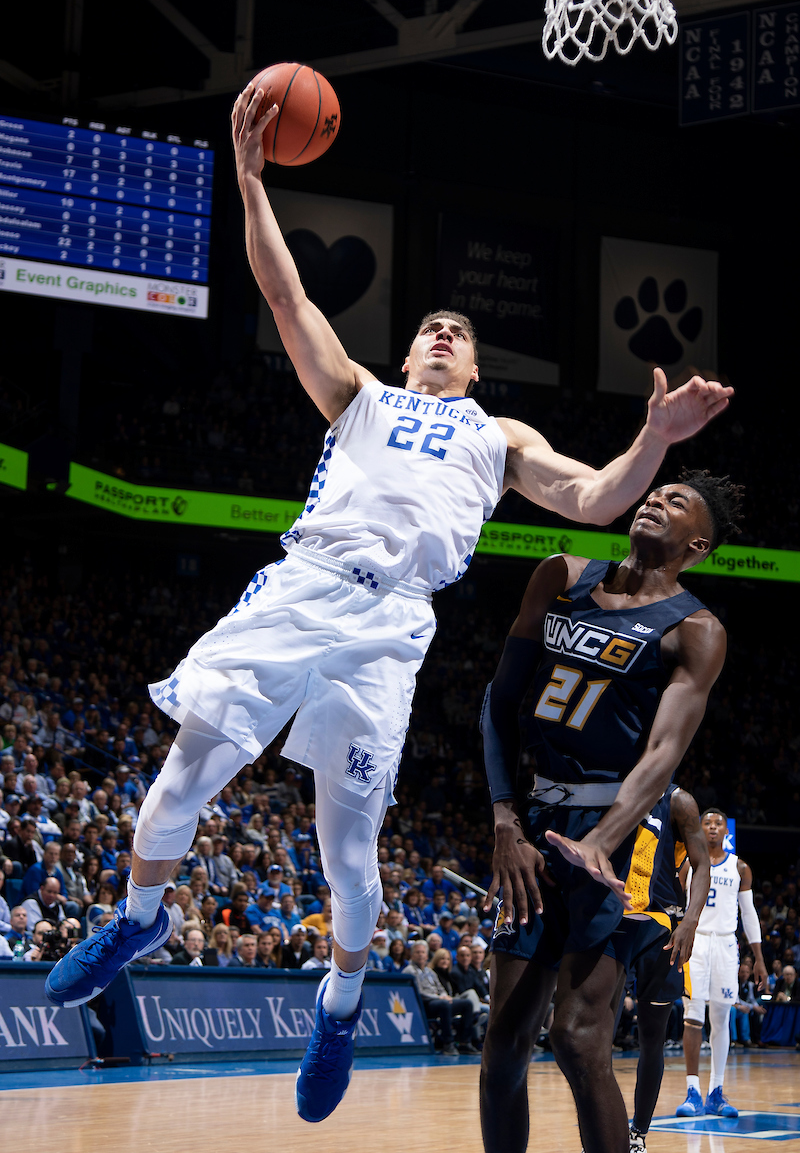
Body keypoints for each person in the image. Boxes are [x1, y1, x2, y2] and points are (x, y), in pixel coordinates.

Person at [44, 85, 733, 1130]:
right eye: (430, 328)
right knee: (185, 768)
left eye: (459, 329)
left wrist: (655, 441)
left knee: (347, 854)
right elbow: (285, 297)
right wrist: (247, 178)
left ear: (472, 365)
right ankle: (138, 918)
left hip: (389, 630)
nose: (446, 331)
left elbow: (594, 498)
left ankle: (339, 1002)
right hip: (299, 589)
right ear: (408, 357)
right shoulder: (359, 393)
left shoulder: (497, 439)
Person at [479, 471, 740, 1153]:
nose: (656, 499)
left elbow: (662, 755)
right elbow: (501, 702)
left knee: (577, 1037)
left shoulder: (697, 630)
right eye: (655, 492)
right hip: (532, 831)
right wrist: (506, 819)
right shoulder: (560, 575)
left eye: (676, 501)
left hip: (612, 843)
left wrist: (599, 842)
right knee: (503, 1044)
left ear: (698, 544)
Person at [626, 785, 711, 1151]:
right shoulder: (608, 784)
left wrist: (690, 921)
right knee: (586, 1039)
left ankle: (637, 1135)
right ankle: (599, 1132)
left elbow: (702, 864)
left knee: (652, 1041)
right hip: (611, 920)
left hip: (661, 930)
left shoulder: (678, 801)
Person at [676, 809, 767, 1119]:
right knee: (693, 1016)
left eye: (718, 823)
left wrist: (759, 958)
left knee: (721, 1016)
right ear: (700, 829)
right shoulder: (689, 865)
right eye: (707, 823)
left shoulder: (740, 867)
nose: (713, 827)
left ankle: (716, 1091)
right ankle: (692, 1092)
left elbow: (750, 914)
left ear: (726, 830)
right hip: (696, 942)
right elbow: (679, 907)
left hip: (727, 944)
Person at [403, 939, 474, 1055]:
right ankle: (448, 1044)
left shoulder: (430, 971)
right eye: (417, 952)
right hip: (424, 1004)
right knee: (444, 1004)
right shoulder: (409, 970)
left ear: (427, 955)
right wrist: (439, 998)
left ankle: (465, 1042)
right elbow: (418, 993)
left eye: (423, 952)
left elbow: (441, 988)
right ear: (411, 955)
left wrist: (445, 996)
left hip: (439, 1001)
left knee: (467, 1003)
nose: (420, 955)